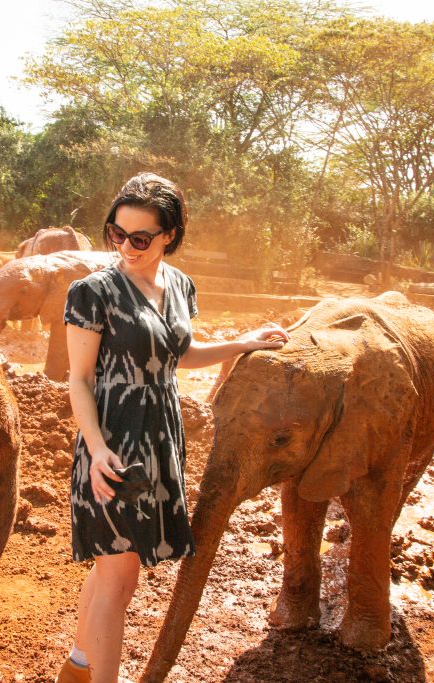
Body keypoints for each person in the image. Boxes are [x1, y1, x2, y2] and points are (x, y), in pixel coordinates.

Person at [57, 173, 289, 683]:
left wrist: (244, 342)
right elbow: (76, 380)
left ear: (169, 235)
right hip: (112, 443)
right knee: (120, 579)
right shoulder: (92, 292)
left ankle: (77, 666)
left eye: (140, 238)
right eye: (116, 233)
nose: (125, 246)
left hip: (161, 440)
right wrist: (96, 451)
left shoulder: (181, 285)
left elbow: (178, 355)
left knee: (109, 568)